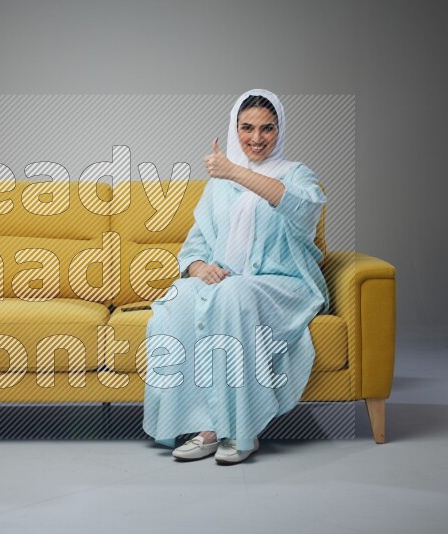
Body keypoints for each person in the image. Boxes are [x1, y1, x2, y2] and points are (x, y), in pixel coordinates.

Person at [142, 89, 329, 465]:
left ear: (280, 130)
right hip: (229, 281)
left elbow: (303, 209)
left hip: (283, 285)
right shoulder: (218, 186)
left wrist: (233, 170)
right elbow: (194, 247)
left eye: (267, 129)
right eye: (247, 128)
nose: (256, 138)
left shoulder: (296, 174)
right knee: (179, 297)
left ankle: (240, 431)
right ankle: (208, 427)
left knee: (233, 295)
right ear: (235, 127)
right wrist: (199, 268)